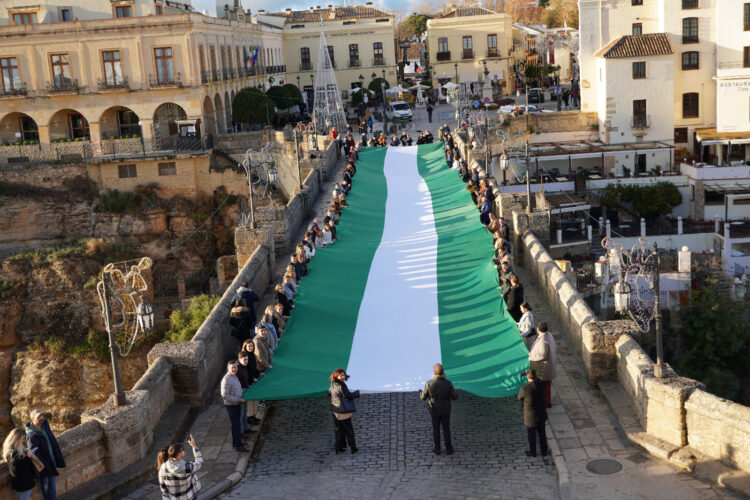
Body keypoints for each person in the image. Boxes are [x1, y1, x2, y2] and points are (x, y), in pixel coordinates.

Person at [419, 363, 458, 455]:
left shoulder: (429, 383)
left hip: (434, 410)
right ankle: (449, 448)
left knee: (436, 429)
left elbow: (423, 397)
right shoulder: (448, 383)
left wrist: (420, 392)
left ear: (434, 373)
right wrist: (457, 391)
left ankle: (437, 448)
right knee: (446, 429)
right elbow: (454, 397)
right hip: (445, 410)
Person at [25, 410, 64, 500]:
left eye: (41, 415)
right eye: (38, 416)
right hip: (44, 464)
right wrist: (45, 465)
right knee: (46, 486)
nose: (41, 418)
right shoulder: (31, 435)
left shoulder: (45, 425)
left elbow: (51, 440)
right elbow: (35, 453)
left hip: (52, 460)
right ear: (32, 419)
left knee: (52, 486)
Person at [517, 369, 548, 458]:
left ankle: (533, 452)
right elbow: (541, 382)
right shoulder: (542, 384)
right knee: (542, 432)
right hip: (541, 413)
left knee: (531, 434)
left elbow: (519, 397)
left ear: (527, 377)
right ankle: (544, 451)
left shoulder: (525, 388)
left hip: (530, 416)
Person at [328, 368, 360, 454]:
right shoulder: (342, 385)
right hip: (343, 411)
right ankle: (353, 448)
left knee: (339, 430)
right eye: (340, 375)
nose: (342, 376)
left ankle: (339, 448)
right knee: (349, 430)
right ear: (336, 375)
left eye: (343, 375)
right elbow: (348, 396)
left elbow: (329, 393)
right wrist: (357, 393)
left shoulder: (332, 383)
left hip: (335, 411)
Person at [221, 361, 250, 453]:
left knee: (236, 425)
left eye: (235, 367)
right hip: (231, 406)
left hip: (236, 403)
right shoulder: (226, 379)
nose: (234, 369)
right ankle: (238, 446)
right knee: (236, 425)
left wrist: (241, 390)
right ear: (228, 369)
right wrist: (238, 399)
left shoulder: (234, 376)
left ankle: (237, 443)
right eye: (232, 368)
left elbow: (235, 387)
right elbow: (225, 395)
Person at [529, 322, 557, 408]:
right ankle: (546, 402)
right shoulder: (549, 335)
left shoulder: (543, 340)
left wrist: (531, 357)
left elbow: (542, 355)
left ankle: (545, 403)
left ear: (538, 329)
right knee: (547, 387)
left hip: (544, 369)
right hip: (549, 366)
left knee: (544, 387)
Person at [3, 428, 35, 500]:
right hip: (23, 482)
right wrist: (28, 457)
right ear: (17, 439)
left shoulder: (15, 451)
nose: (23, 441)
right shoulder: (12, 453)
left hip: (24, 481)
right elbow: (18, 467)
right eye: (22, 439)